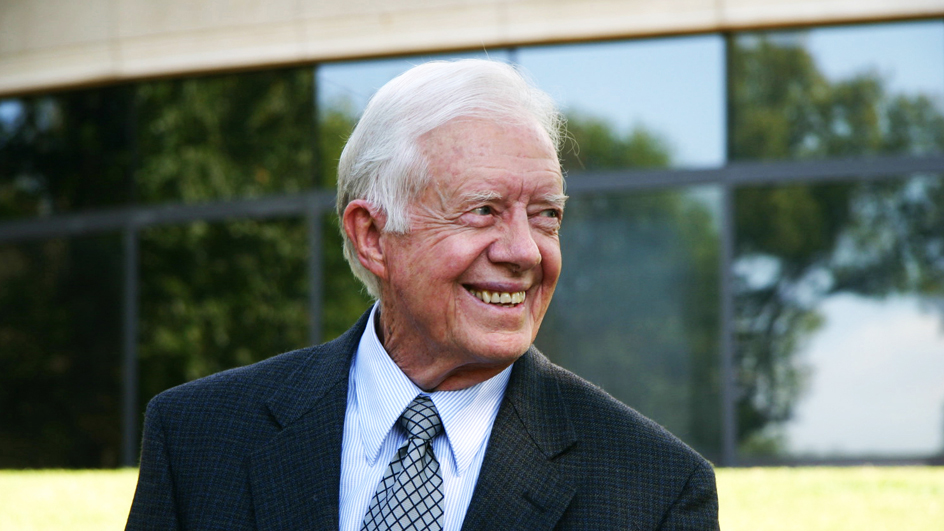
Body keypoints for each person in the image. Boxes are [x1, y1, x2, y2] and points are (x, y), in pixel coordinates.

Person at [126, 59, 719, 530]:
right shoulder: (196, 440)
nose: (526, 252)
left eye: (545, 216)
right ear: (373, 237)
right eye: (483, 211)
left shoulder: (655, 492)